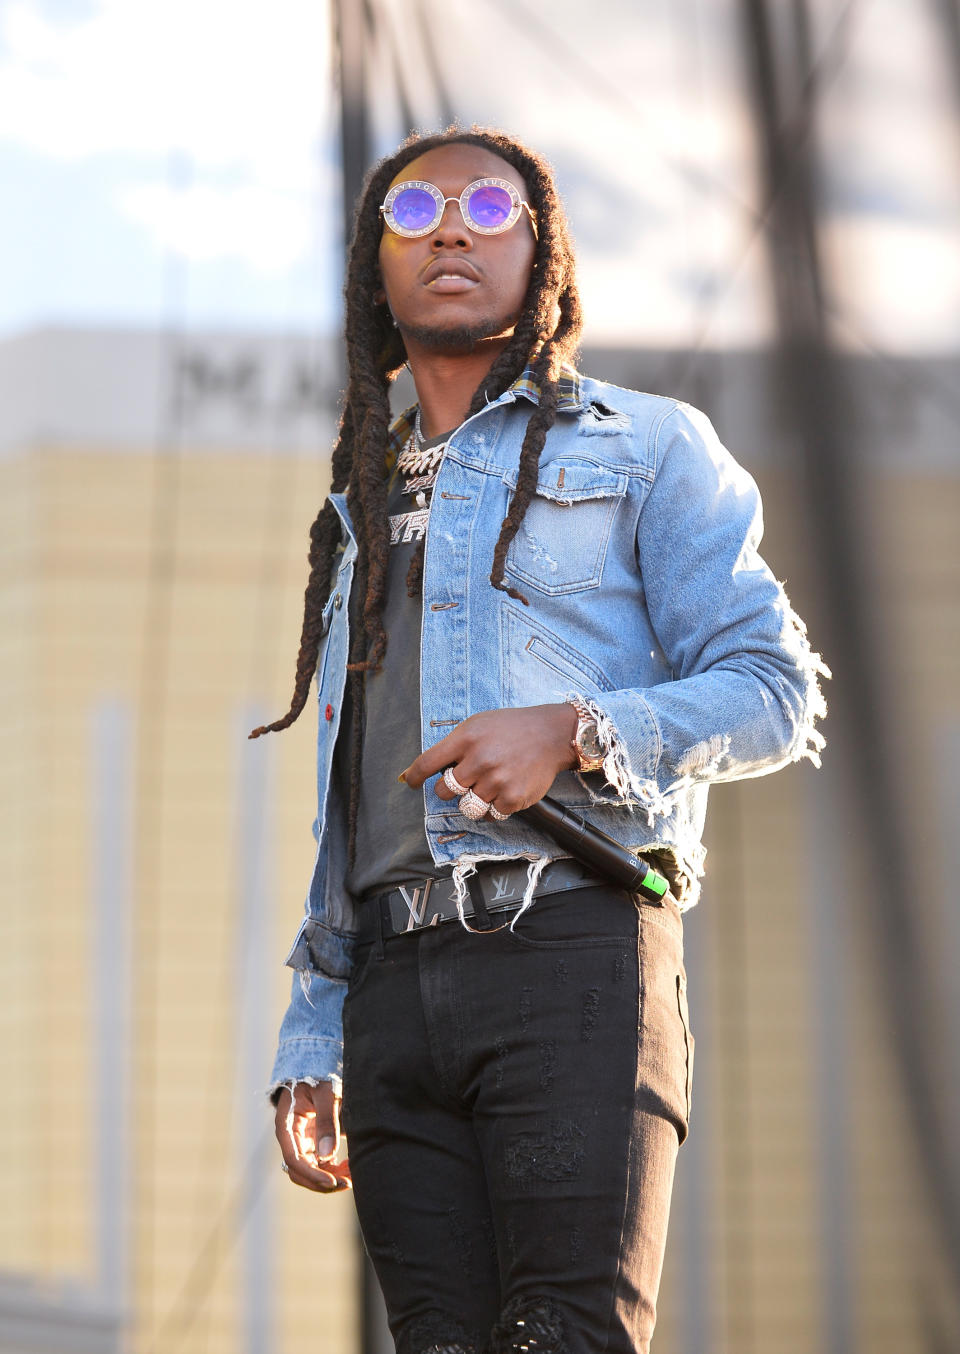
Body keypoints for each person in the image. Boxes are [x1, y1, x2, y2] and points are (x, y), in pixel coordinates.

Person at [251, 127, 827, 1354]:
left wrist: (575, 731)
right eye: (414, 209)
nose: (450, 228)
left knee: (564, 1338)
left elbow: (776, 690)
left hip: (571, 951)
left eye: (485, 206)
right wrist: (315, 1025)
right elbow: (349, 787)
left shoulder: (648, 445)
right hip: (394, 994)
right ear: (375, 265)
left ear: (541, 249)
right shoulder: (363, 497)